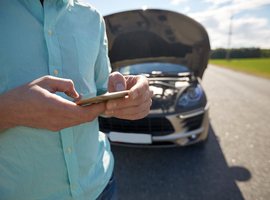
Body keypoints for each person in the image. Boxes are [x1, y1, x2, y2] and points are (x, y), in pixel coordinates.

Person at [0, 0, 153, 200]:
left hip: (101, 186)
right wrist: (9, 112)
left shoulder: (93, 18)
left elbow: (98, 89)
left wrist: (123, 92)